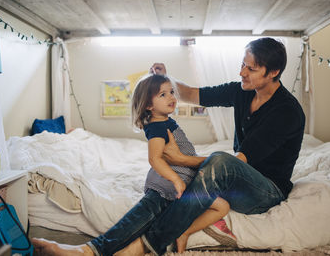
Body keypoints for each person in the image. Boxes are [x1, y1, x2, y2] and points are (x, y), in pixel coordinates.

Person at [115, 37, 306, 256]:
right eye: (242, 64)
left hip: (266, 191)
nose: (242, 72)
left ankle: (146, 244)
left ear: (273, 72)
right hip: (236, 182)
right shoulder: (242, 91)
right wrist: (165, 79)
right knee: (178, 184)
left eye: (251, 68)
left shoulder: (286, 111)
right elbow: (193, 94)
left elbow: (238, 162)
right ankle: (118, 238)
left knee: (220, 160)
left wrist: (180, 160)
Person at [32, 74, 230, 256]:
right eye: (163, 94)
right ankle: (90, 250)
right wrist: (175, 179)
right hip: (166, 185)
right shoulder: (157, 127)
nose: (171, 97)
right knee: (138, 219)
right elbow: (155, 159)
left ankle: (183, 231)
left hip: (183, 184)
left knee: (222, 206)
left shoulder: (165, 121)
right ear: (148, 106)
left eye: (171, 92)